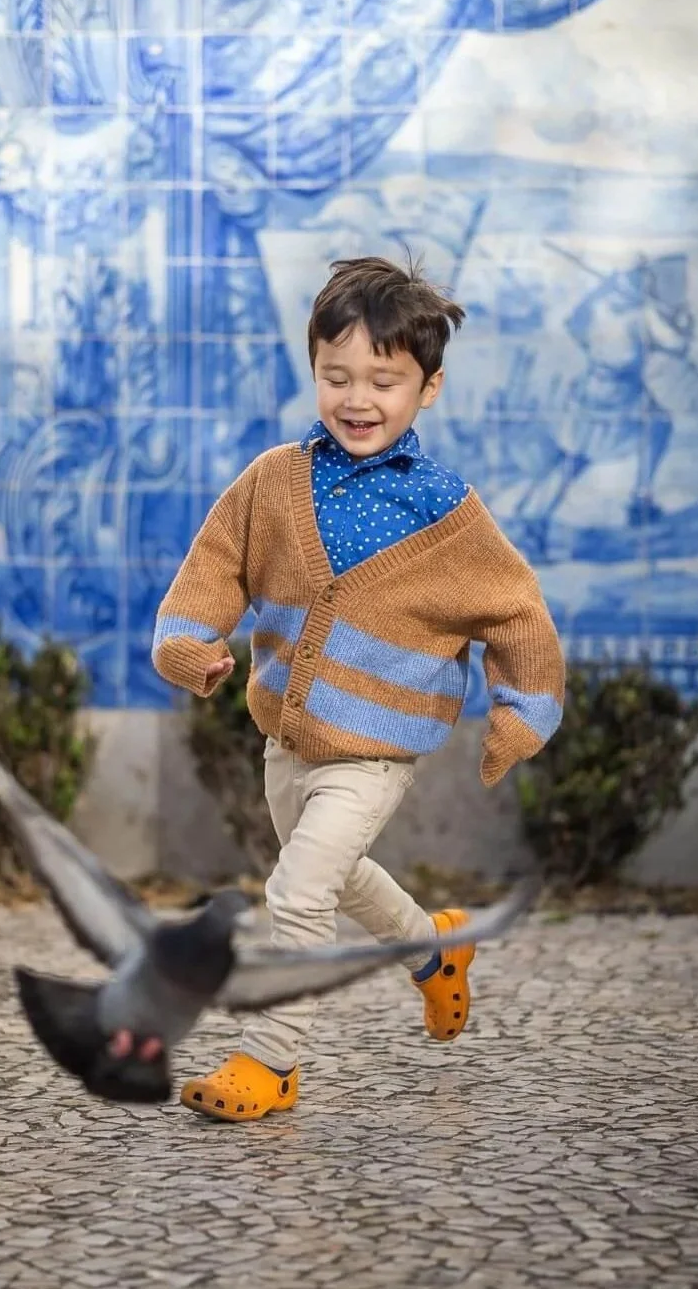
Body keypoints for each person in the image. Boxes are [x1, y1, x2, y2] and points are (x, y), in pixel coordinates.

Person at [151, 255, 566, 1120]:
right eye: (334, 376)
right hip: (287, 744)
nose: (356, 398)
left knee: (298, 891)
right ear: (312, 372)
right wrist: (191, 644)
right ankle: (436, 952)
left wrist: (520, 714)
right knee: (337, 879)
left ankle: (271, 1061)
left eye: (384, 379)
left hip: (374, 754)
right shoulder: (273, 481)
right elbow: (213, 568)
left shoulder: (444, 513)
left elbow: (516, 611)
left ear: (429, 387)